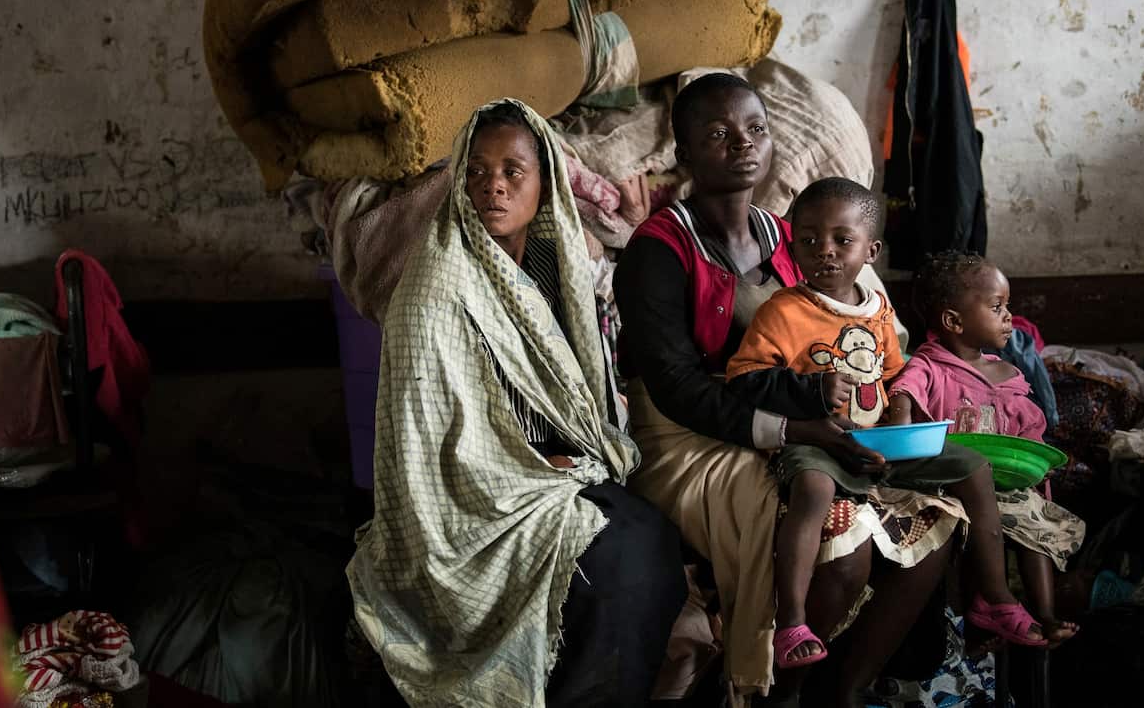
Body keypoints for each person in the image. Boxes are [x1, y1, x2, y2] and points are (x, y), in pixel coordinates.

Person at [615, 73, 964, 708]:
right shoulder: (658, 251)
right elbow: (676, 390)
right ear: (684, 154)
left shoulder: (795, 237)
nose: (742, 144)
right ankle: (773, 691)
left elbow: (867, 333)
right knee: (841, 542)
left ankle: (843, 689)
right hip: (692, 435)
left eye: (755, 129)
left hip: (807, 417)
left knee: (934, 523)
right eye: (717, 134)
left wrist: (888, 407)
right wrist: (795, 430)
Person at [344, 99, 685, 707]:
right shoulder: (435, 286)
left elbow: (588, 389)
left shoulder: (560, 266)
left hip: (563, 470)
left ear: (545, 180)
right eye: (475, 172)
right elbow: (421, 446)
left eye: (512, 172)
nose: (492, 187)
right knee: (623, 560)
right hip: (476, 496)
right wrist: (525, 467)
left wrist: (565, 459)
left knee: (649, 544)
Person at [726, 179, 1047, 670]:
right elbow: (744, 378)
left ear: (871, 250)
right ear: (793, 247)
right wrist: (809, 392)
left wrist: (905, 418)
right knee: (811, 490)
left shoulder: (877, 309)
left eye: (842, 240)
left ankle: (994, 599)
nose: (824, 252)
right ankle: (792, 623)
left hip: (879, 443)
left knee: (974, 468)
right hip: (822, 442)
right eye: (808, 240)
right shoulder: (783, 311)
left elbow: (895, 372)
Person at [886, 251, 1085, 646]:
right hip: (951, 484)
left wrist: (1037, 462)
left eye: (1007, 306)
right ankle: (992, 606)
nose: (1009, 316)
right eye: (997, 307)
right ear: (953, 321)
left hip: (1005, 481)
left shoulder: (1008, 374)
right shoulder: (931, 365)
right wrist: (900, 427)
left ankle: (1043, 612)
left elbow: (1030, 430)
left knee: (1034, 518)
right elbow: (903, 393)